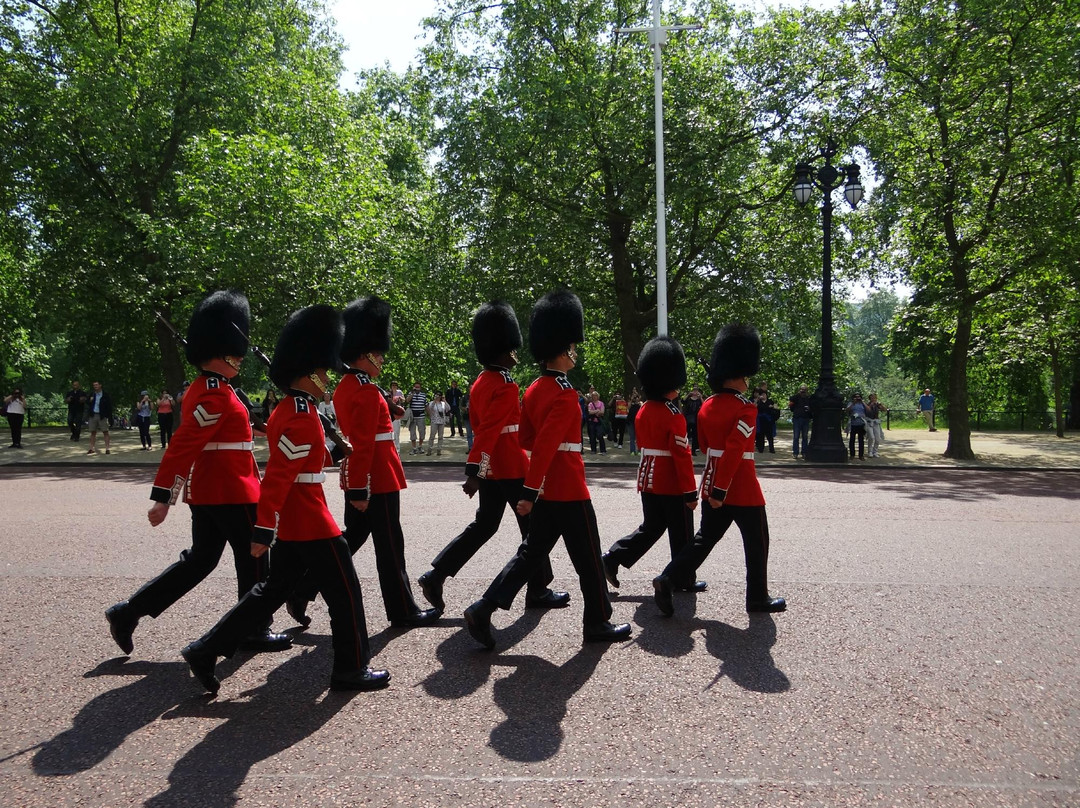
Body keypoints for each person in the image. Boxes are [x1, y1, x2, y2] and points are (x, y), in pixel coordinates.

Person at [180, 304, 389, 694]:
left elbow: (303, 460)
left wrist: (335, 452)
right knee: (345, 593)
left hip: (298, 518)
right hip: (309, 518)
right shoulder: (299, 414)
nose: (328, 377)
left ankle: (206, 650)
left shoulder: (295, 409)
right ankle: (350, 667)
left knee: (270, 592)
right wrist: (263, 528)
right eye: (324, 371)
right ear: (308, 372)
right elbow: (278, 476)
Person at [105, 291, 290, 658]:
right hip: (229, 490)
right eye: (234, 354)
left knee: (201, 561)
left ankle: (129, 611)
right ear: (219, 354)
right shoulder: (211, 392)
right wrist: (162, 498)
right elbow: (182, 446)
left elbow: (232, 433)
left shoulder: (217, 389)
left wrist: (271, 431)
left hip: (214, 490)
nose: (239, 359)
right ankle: (254, 627)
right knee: (255, 554)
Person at [463, 290, 631, 649]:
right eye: (574, 347)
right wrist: (528, 491)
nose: (576, 352)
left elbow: (524, 438)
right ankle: (598, 622)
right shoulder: (565, 393)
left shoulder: (536, 389)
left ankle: (484, 607)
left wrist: (533, 488)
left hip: (545, 489)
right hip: (567, 487)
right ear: (566, 348)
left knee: (530, 554)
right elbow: (542, 446)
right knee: (588, 557)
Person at [288, 296, 439, 629]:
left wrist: (390, 408)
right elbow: (367, 444)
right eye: (379, 353)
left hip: (361, 476)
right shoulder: (367, 390)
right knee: (390, 547)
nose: (382, 358)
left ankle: (302, 588)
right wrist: (361, 487)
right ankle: (402, 610)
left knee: (352, 540)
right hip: (376, 478)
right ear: (366, 353)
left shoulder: (349, 386)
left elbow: (369, 426)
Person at [417, 301, 568, 614]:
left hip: (492, 469)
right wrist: (473, 469)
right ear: (501, 349)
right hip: (510, 465)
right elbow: (488, 431)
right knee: (535, 529)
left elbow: (481, 429)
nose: (515, 354)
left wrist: (480, 469)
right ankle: (537, 589)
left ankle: (437, 574)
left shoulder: (480, 382)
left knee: (485, 525)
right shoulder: (505, 385)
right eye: (511, 350)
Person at [653, 324, 786, 617]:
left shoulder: (706, 406)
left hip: (711, 480)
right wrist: (722, 490)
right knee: (757, 542)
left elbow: (703, 444)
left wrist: (713, 489)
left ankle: (668, 578)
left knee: (703, 539)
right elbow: (736, 452)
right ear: (740, 374)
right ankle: (757, 597)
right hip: (739, 486)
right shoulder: (745, 409)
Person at [602, 337, 705, 594]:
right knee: (682, 532)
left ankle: (612, 558)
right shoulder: (673, 414)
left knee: (651, 528)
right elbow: (681, 457)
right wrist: (690, 492)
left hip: (647, 479)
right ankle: (682, 579)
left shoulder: (644, 409)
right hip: (670, 482)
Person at [86, 381, 113, 455]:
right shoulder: (92, 394)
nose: (95, 386)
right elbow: (87, 403)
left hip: (102, 415)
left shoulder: (105, 395)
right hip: (93, 415)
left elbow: (109, 406)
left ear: (100, 385)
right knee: (92, 432)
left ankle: (107, 448)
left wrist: (109, 417)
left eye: (96, 385)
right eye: (94, 385)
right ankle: (92, 448)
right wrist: (90, 400)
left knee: (105, 432)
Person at [788, 384, 812, 458]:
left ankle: (804, 452)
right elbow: (791, 402)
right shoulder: (796, 398)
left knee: (805, 437)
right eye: (802, 389)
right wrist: (798, 394)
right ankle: (795, 452)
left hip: (806, 419)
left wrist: (809, 409)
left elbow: (812, 407)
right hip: (797, 419)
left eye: (805, 390)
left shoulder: (809, 398)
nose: (803, 391)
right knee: (796, 437)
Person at [754, 389, 779, 454]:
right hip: (760, 421)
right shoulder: (759, 402)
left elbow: (776, 408)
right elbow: (754, 407)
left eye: (764, 395)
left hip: (768, 421)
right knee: (760, 436)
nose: (763, 396)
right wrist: (757, 400)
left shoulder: (770, 401)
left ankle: (771, 449)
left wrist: (772, 407)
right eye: (762, 395)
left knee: (770, 436)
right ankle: (760, 448)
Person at [865, 393, 889, 458]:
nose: (874, 399)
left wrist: (881, 405)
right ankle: (870, 451)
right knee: (871, 437)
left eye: (875, 398)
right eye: (872, 398)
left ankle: (875, 451)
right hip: (869, 422)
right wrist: (871, 405)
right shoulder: (867, 405)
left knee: (877, 438)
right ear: (870, 399)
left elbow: (885, 410)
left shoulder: (877, 404)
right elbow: (867, 411)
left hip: (876, 422)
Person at [408, 382, 428, 454]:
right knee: (412, 432)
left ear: (420, 388)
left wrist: (430, 415)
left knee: (422, 431)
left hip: (421, 416)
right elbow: (407, 401)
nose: (417, 388)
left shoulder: (423, 395)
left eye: (418, 387)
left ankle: (420, 446)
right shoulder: (411, 394)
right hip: (412, 416)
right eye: (415, 387)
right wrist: (412, 393)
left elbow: (426, 405)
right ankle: (414, 448)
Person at [682, 387, 703, 455]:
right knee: (686, 434)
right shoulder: (688, 399)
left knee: (695, 436)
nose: (695, 392)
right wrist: (688, 395)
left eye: (696, 391)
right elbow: (683, 401)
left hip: (696, 419)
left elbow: (704, 405)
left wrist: (700, 397)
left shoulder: (699, 400)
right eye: (694, 390)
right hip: (688, 418)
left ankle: (693, 450)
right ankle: (684, 449)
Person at [846, 393, 867, 460]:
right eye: (856, 397)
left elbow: (868, 410)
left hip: (861, 424)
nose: (857, 398)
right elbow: (847, 410)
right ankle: (852, 455)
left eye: (859, 397)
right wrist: (853, 403)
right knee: (852, 440)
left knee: (861, 440)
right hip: (853, 424)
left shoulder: (862, 404)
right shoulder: (851, 403)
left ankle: (861, 455)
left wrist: (863, 402)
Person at [388, 382, 406, 450]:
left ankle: (397, 448)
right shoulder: (389, 393)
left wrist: (400, 398)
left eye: (395, 385)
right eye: (393, 385)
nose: (394, 386)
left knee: (397, 431)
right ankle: (392, 447)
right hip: (391, 413)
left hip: (398, 412)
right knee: (391, 430)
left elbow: (404, 400)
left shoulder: (399, 392)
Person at [627, 390, 642, 455]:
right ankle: (632, 451)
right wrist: (632, 399)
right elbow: (628, 408)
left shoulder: (640, 403)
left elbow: (642, 406)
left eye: (636, 396)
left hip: (638, 422)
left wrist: (638, 400)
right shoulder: (630, 403)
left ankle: (639, 450)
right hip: (631, 422)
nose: (635, 398)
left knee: (638, 437)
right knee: (632, 437)